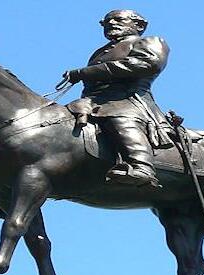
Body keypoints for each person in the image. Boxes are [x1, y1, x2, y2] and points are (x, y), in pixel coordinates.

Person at [63, 9, 170, 188]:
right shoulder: (100, 52)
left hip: (127, 100)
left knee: (119, 119)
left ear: (139, 25)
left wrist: (84, 72)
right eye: (106, 22)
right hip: (91, 102)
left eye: (118, 19)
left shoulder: (150, 41)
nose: (111, 23)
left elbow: (148, 64)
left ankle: (142, 167)